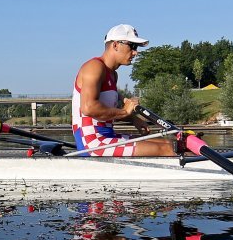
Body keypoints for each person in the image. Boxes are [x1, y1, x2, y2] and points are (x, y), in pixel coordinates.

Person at [71, 24, 178, 157]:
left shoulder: (112, 75)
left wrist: (133, 119)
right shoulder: (94, 67)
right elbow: (89, 108)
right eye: (132, 46)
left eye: (136, 47)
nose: (135, 52)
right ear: (115, 45)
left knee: (169, 144)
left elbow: (106, 112)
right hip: (91, 142)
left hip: (107, 137)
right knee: (166, 150)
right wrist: (124, 111)